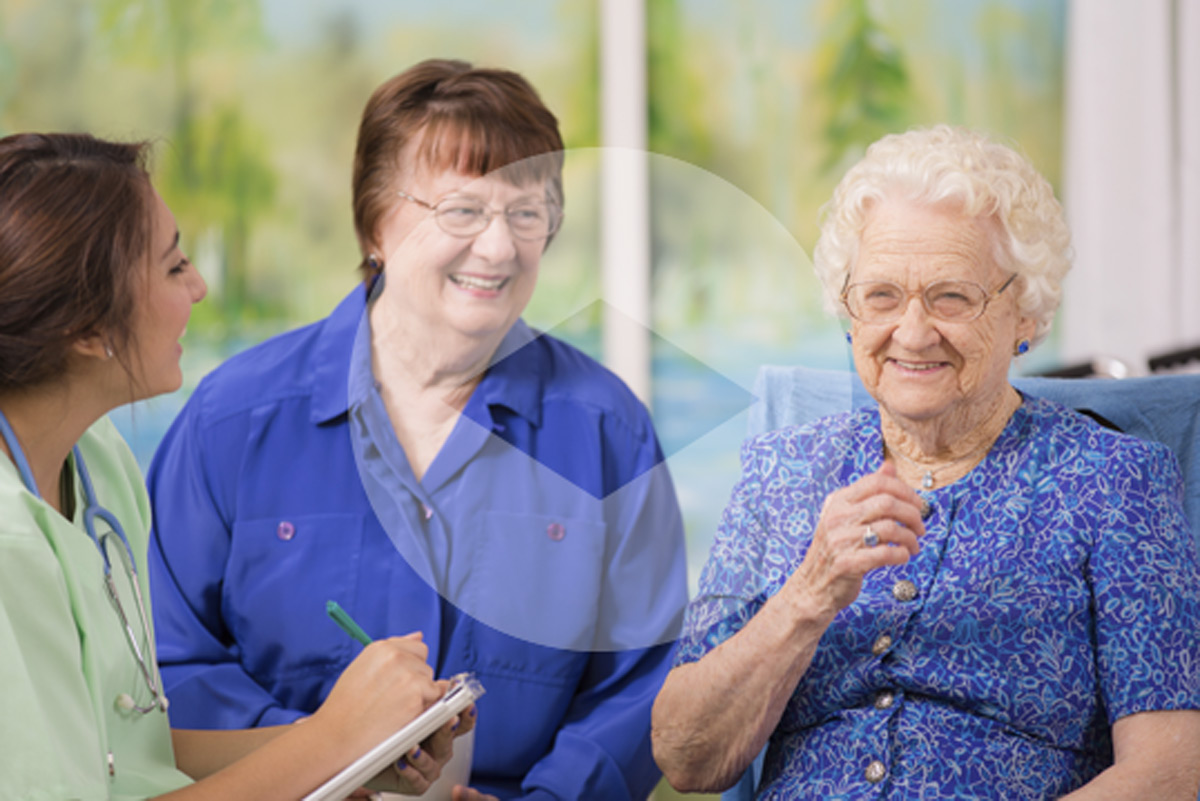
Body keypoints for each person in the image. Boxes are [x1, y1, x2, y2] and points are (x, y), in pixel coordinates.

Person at [147, 59, 686, 801]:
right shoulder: (231, 422)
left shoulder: (607, 430)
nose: (499, 248)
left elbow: (639, 679)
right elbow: (167, 662)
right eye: (462, 210)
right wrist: (318, 767)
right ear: (376, 224)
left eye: (527, 213)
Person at [652, 125, 1200, 799]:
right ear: (849, 311)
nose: (912, 332)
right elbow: (686, 758)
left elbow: (1170, 772)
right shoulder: (785, 469)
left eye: (952, 296)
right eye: (881, 295)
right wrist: (808, 593)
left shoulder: (1114, 482)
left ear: (1024, 311)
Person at [0, 132, 472, 800]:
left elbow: (121, 748)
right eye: (174, 266)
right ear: (86, 328)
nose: (198, 287)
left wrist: (360, 752)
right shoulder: (8, 549)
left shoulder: (98, 462)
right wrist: (329, 739)